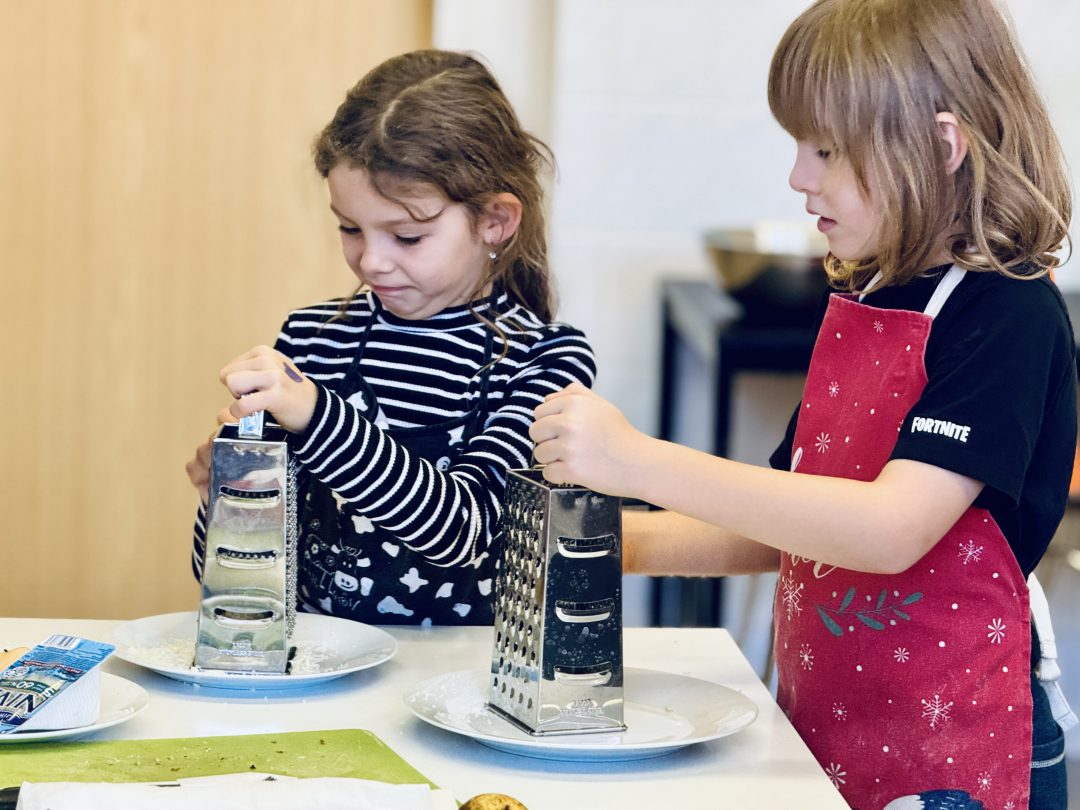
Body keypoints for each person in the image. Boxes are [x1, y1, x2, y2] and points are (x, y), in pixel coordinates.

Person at [530, 1, 1073, 807]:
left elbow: (888, 529)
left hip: (952, 760)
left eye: (827, 150)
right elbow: (786, 525)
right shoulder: (867, 293)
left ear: (940, 145)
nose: (798, 177)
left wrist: (636, 460)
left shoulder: (1006, 314)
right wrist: (616, 544)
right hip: (826, 734)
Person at [186, 50, 595, 627]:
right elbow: (237, 583)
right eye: (350, 229)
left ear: (495, 221)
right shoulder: (310, 339)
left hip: (459, 685)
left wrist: (318, 416)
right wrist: (228, 500)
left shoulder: (543, 360)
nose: (371, 261)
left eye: (407, 236)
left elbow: (465, 533)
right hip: (319, 668)